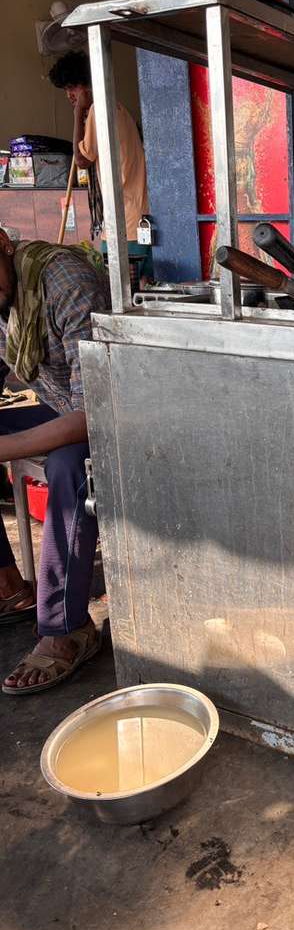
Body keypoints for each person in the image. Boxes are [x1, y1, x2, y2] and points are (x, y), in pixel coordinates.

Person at [0, 227, 108, 695]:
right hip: (60, 403)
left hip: (109, 414)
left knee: (69, 469)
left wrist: (5, 448)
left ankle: (65, 629)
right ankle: (9, 586)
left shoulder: (63, 281)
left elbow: (93, 413)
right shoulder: (7, 296)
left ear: (3, 244)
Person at [48, 50, 151, 279]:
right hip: (135, 219)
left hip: (125, 223)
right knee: (140, 287)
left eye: (71, 88)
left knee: (120, 292)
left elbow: (82, 159)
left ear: (86, 85)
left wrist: (77, 113)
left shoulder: (99, 111)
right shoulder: (118, 109)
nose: (69, 96)